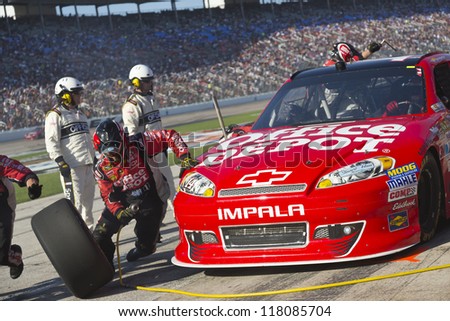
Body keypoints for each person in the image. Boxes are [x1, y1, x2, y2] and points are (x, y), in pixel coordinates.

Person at [91, 119, 197, 267]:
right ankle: (105, 268)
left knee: (146, 247)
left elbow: (170, 135)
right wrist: (118, 212)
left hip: (151, 199)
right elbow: (107, 195)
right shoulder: (101, 168)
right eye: (106, 151)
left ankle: (145, 246)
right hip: (123, 201)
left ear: (123, 140)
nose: (112, 155)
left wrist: (185, 157)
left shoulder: (139, 142)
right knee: (98, 236)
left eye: (115, 148)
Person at [121, 64, 177, 215]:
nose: (150, 83)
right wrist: (141, 155)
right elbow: (132, 134)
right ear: (136, 83)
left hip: (159, 149)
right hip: (147, 153)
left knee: (169, 185)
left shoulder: (151, 99)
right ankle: (154, 219)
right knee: (154, 188)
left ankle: (178, 214)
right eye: (146, 81)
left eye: (150, 80)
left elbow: (156, 126)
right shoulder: (132, 105)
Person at [44, 77, 96, 231]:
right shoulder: (55, 114)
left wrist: (95, 159)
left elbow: (86, 140)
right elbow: (51, 141)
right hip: (73, 168)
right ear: (65, 94)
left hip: (88, 164)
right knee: (76, 206)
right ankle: (77, 240)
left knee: (88, 206)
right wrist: (60, 162)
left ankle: (91, 238)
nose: (80, 96)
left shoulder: (80, 113)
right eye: (76, 93)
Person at [1, 155, 42, 279]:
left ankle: (14, 256)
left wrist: (32, 184)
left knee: (1, 255)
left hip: (3, 203)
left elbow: (22, 172)